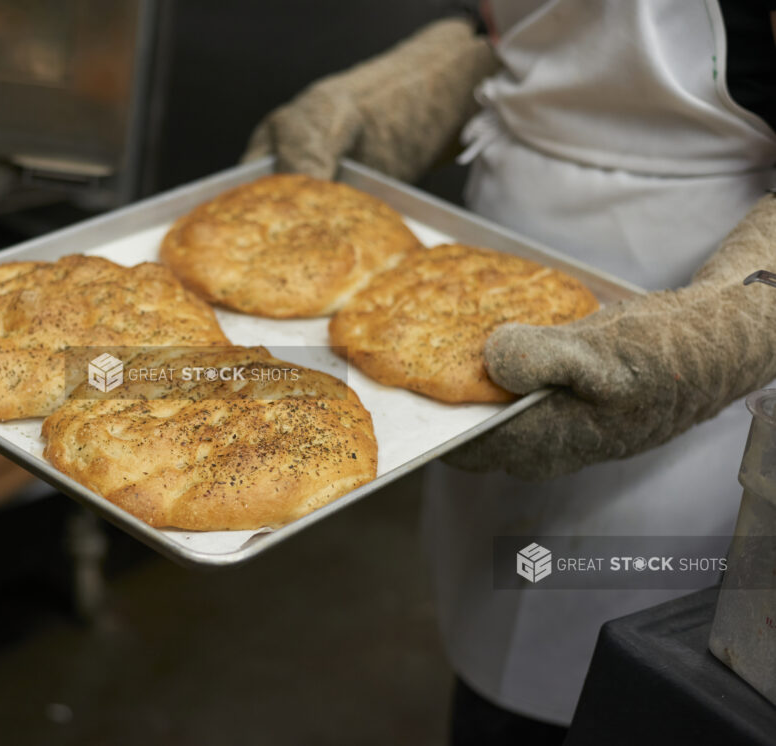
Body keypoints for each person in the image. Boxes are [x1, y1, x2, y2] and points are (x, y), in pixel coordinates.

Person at [244, 1, 776, 743]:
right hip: (468, 297)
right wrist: (406, 89)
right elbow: (515, 27)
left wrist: (728, 326)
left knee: (631, 682)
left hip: (690, 330)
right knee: (496, 628)